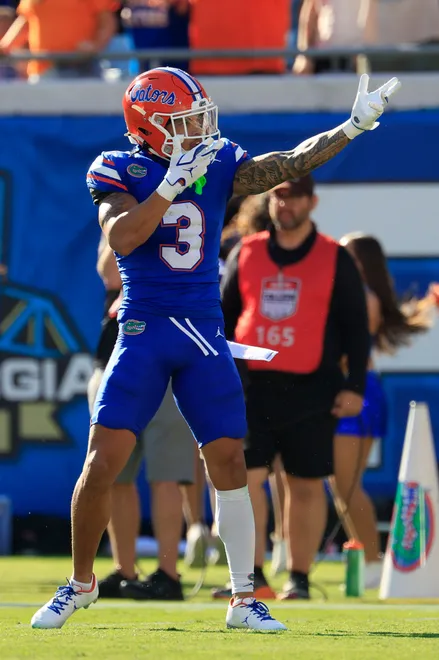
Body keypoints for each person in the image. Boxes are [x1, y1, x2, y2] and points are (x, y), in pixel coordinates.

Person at [31, 66, 400, 631]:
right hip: (143, 327)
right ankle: (80, 583)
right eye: (183, 121)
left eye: (200, 117)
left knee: (228, 459)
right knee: (103, 459)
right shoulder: (117, 168)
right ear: (148, 127)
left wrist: (350, 127)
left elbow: (287, 164)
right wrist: (170, 185)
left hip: (202, 329)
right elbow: (123, 237)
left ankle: (244, 597)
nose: (199, 129)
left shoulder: (215, 159)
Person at [217, 176, 370, 600]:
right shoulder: (246, 251)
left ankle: (298, 577)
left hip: (313, 387)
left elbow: (356, 328)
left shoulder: (334, 257)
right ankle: (250, 576)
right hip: (251, 386)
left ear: (311, 202)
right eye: (278, 196)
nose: (285, 205)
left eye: (294, 197)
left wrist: (354, 385)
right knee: (246, 480)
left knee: (305, 483)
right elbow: (224, 319)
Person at [89, 234, 200, 600]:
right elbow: (108, 273)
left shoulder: (183, 210)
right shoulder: (123, 212)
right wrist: (124, 220)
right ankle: (125, 570)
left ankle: (168, 573)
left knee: (166, 475)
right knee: (114, 474)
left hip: (165, 358)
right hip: (117, 358)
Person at [330, 232, 434, 589]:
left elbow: (347, 349)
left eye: (346, 254)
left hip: (356, 392)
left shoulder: (360, 296)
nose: (338, 259)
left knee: (346, 485)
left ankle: (374, 562)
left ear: (361, 262)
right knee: (342, 485)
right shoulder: (363, 294)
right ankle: (368, 556)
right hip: (359, 390)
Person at [0, 0, 119, 81]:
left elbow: (107, 20)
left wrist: (95, 45)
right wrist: (5, 46)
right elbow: (27, 19)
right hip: (43, 71)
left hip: (82, 69)